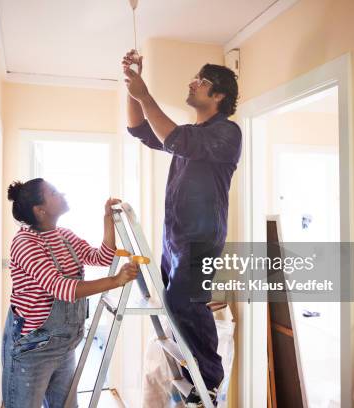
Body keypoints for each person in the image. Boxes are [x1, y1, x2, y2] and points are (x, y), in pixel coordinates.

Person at [122, 50, 242, 407]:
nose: (193, 82)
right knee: (174, 306)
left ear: (218, 94)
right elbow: (139, 129)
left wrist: (145, 94)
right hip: (175, 239)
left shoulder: (227, 133)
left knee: (185, 302)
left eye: (201, 80)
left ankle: (209, 379)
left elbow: (175, 139)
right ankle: (194, 377)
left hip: (200, 239)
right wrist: (132, 87)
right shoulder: (192, 132)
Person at [2, 178, 139, 408]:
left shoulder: (64, 236)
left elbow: (102, 256)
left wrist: (107, 218)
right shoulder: (25, 242)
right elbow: (62, 288)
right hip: (33, 349)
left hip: (64, 346)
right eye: (54, 192)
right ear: (40, 210)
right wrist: (115, 281)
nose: (61, 192)